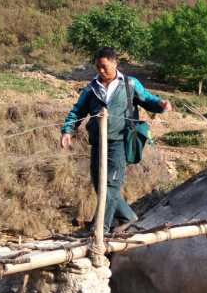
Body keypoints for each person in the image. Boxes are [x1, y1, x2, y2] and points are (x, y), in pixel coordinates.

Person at [60, 46, 172, 234]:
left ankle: (100, 229)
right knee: (99, 184)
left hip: (120, 141)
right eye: (97, 67)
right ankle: (128, 216)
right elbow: (77, 111)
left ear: (114, 63)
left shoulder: (130, 84)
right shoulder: (91, 88)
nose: (101, 70)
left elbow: (147, 100)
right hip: (98, 142)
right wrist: (67, 131)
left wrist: (161, 105)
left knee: (110, 185)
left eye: (104, 66)